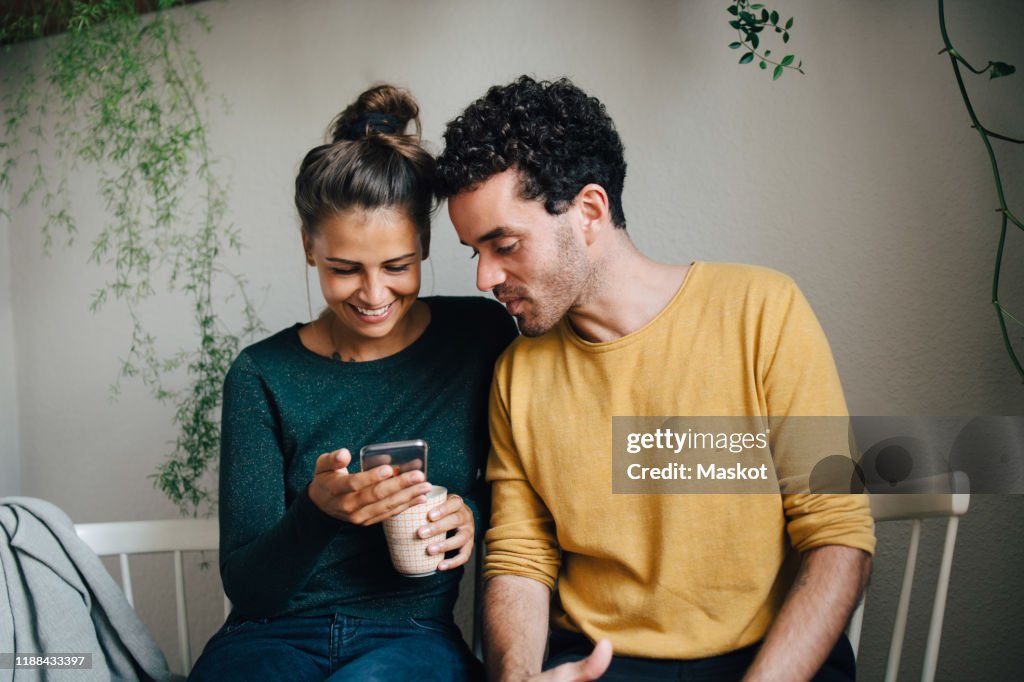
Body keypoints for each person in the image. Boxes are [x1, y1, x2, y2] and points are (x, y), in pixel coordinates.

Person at [434, 76, 876, 682]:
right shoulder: (518, 373)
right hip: (599, 663)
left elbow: (838, 536)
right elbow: (521, 556)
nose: (485, 277)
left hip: (771, 657)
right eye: (474, 251)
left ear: (589, 211)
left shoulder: (762, 310)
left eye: (504, 244)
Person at [189, 84, 516, 682]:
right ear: (309, 249)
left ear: (424, 246)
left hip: (410, 636)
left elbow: (525, 486)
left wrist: (469, 513)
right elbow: (251, 590)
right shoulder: (261, 375)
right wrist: (318, 511)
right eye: (344, 269)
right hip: (268, 637)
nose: (373, 295)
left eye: (398, 267)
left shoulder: (479, 337)